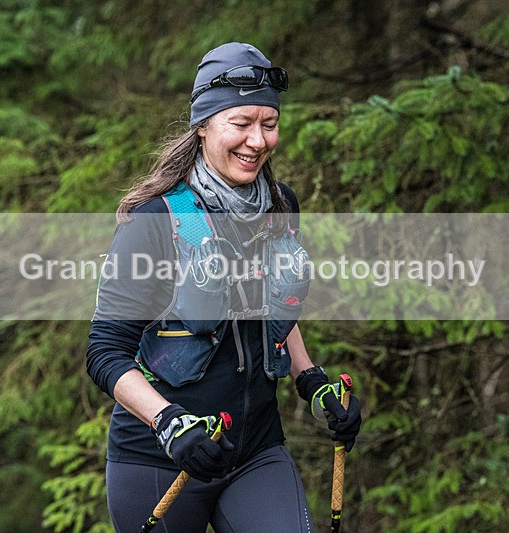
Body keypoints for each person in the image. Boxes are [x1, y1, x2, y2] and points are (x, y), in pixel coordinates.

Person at [86, 42, 362, 533]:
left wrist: (310, 379)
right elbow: (106, 353)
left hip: (256, 450)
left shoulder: (280, 205)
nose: (257, 140)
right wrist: (170, 423)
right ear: (203, 125)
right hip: (158, 463)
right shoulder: (158, 222)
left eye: (269, 124)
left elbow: (272, 308)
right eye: (241, 123)